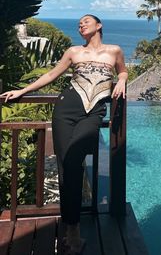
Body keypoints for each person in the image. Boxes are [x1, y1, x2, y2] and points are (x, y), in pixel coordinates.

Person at [0, 14, 128, 254]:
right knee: (65, 167)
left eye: (86, 21)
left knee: (73, 159)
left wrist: (121, 80)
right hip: (66, 109)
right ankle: (73, 231)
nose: (81, 24)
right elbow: (51, 75)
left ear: (99, 25)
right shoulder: (73, 51)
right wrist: (23, 90)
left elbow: (122, 71)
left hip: (94, 112)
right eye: (79, 23)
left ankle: (71, 228)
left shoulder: (115, 50)